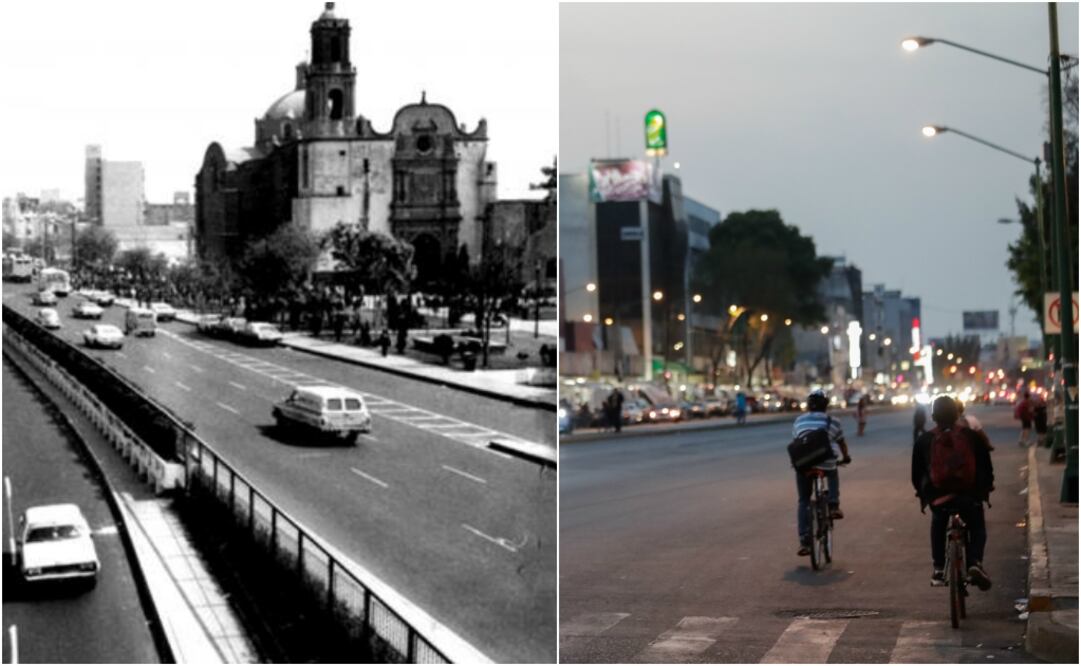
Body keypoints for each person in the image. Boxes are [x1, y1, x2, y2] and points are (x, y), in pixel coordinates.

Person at [911, 395, 994, 590]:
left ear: (933, 416)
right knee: (977, 527)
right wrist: (986, 489)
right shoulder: (970, 437)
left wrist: (924, 495)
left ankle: (939, 569)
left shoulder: (925, 440)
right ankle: (975, 562)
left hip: (939, 497)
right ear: (957, 414)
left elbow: (917, 474)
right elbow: (986, 467)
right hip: (969, 496)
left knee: (938, 525)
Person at [793, 389, 851, 556]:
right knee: (832, 471)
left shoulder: (798, 421)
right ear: (826, 405)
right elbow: (842, 443)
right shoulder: (833, 421)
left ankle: (804, 540)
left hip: (803, 463)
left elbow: (796, 440)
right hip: (825, 461)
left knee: (803, 500)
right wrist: (846, 457)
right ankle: (833, 505)